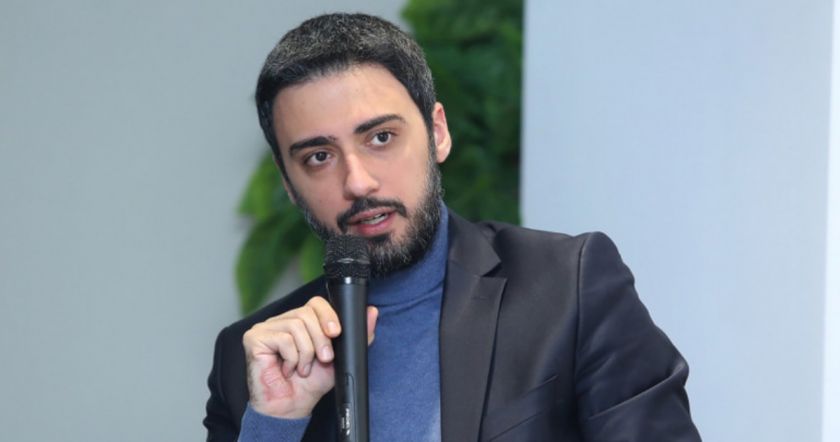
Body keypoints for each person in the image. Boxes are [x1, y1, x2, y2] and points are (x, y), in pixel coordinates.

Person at [204, 13, 701, 442]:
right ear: (289, 184)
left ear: (437, 133)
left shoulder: (568, 287)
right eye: (318, 156)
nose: (357, 182)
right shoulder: (246, 360)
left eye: (381, 137)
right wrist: (274, 425)